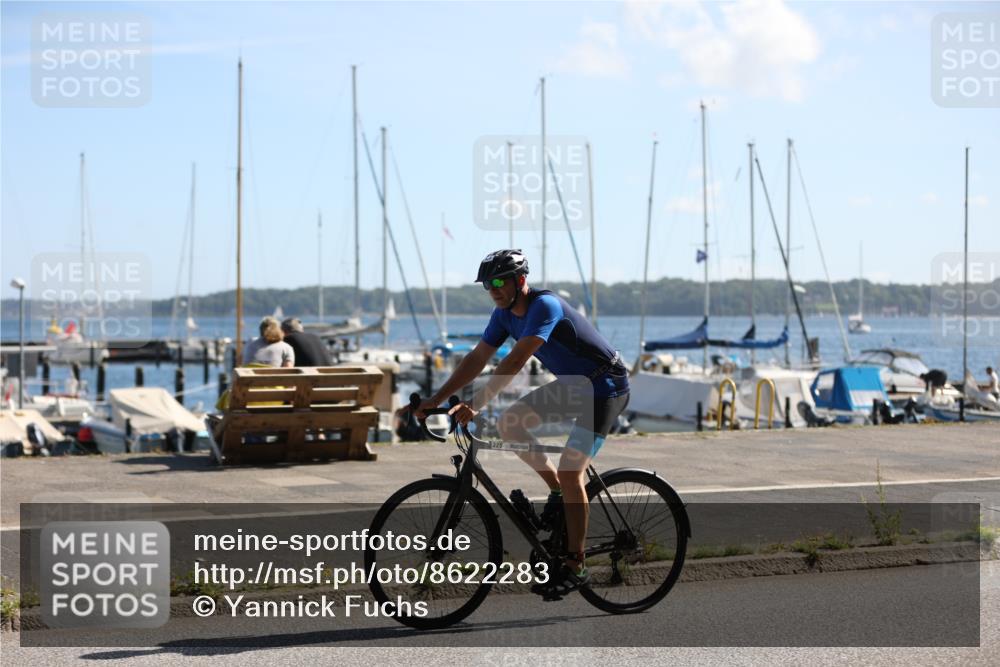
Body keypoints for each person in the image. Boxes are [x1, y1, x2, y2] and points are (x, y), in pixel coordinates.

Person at [409, 249, 629, 596]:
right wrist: (435, 400)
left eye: (499, 281)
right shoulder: (502, 315)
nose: (493, 289)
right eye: (487, 284)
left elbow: (515, 360)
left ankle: (577, 563)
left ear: (520, 280)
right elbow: (478, 358)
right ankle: (558, 493)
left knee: (573, 472)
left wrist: (477, 403)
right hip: (575, 386)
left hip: (605, 387)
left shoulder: (546, 306)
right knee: (511, 424)